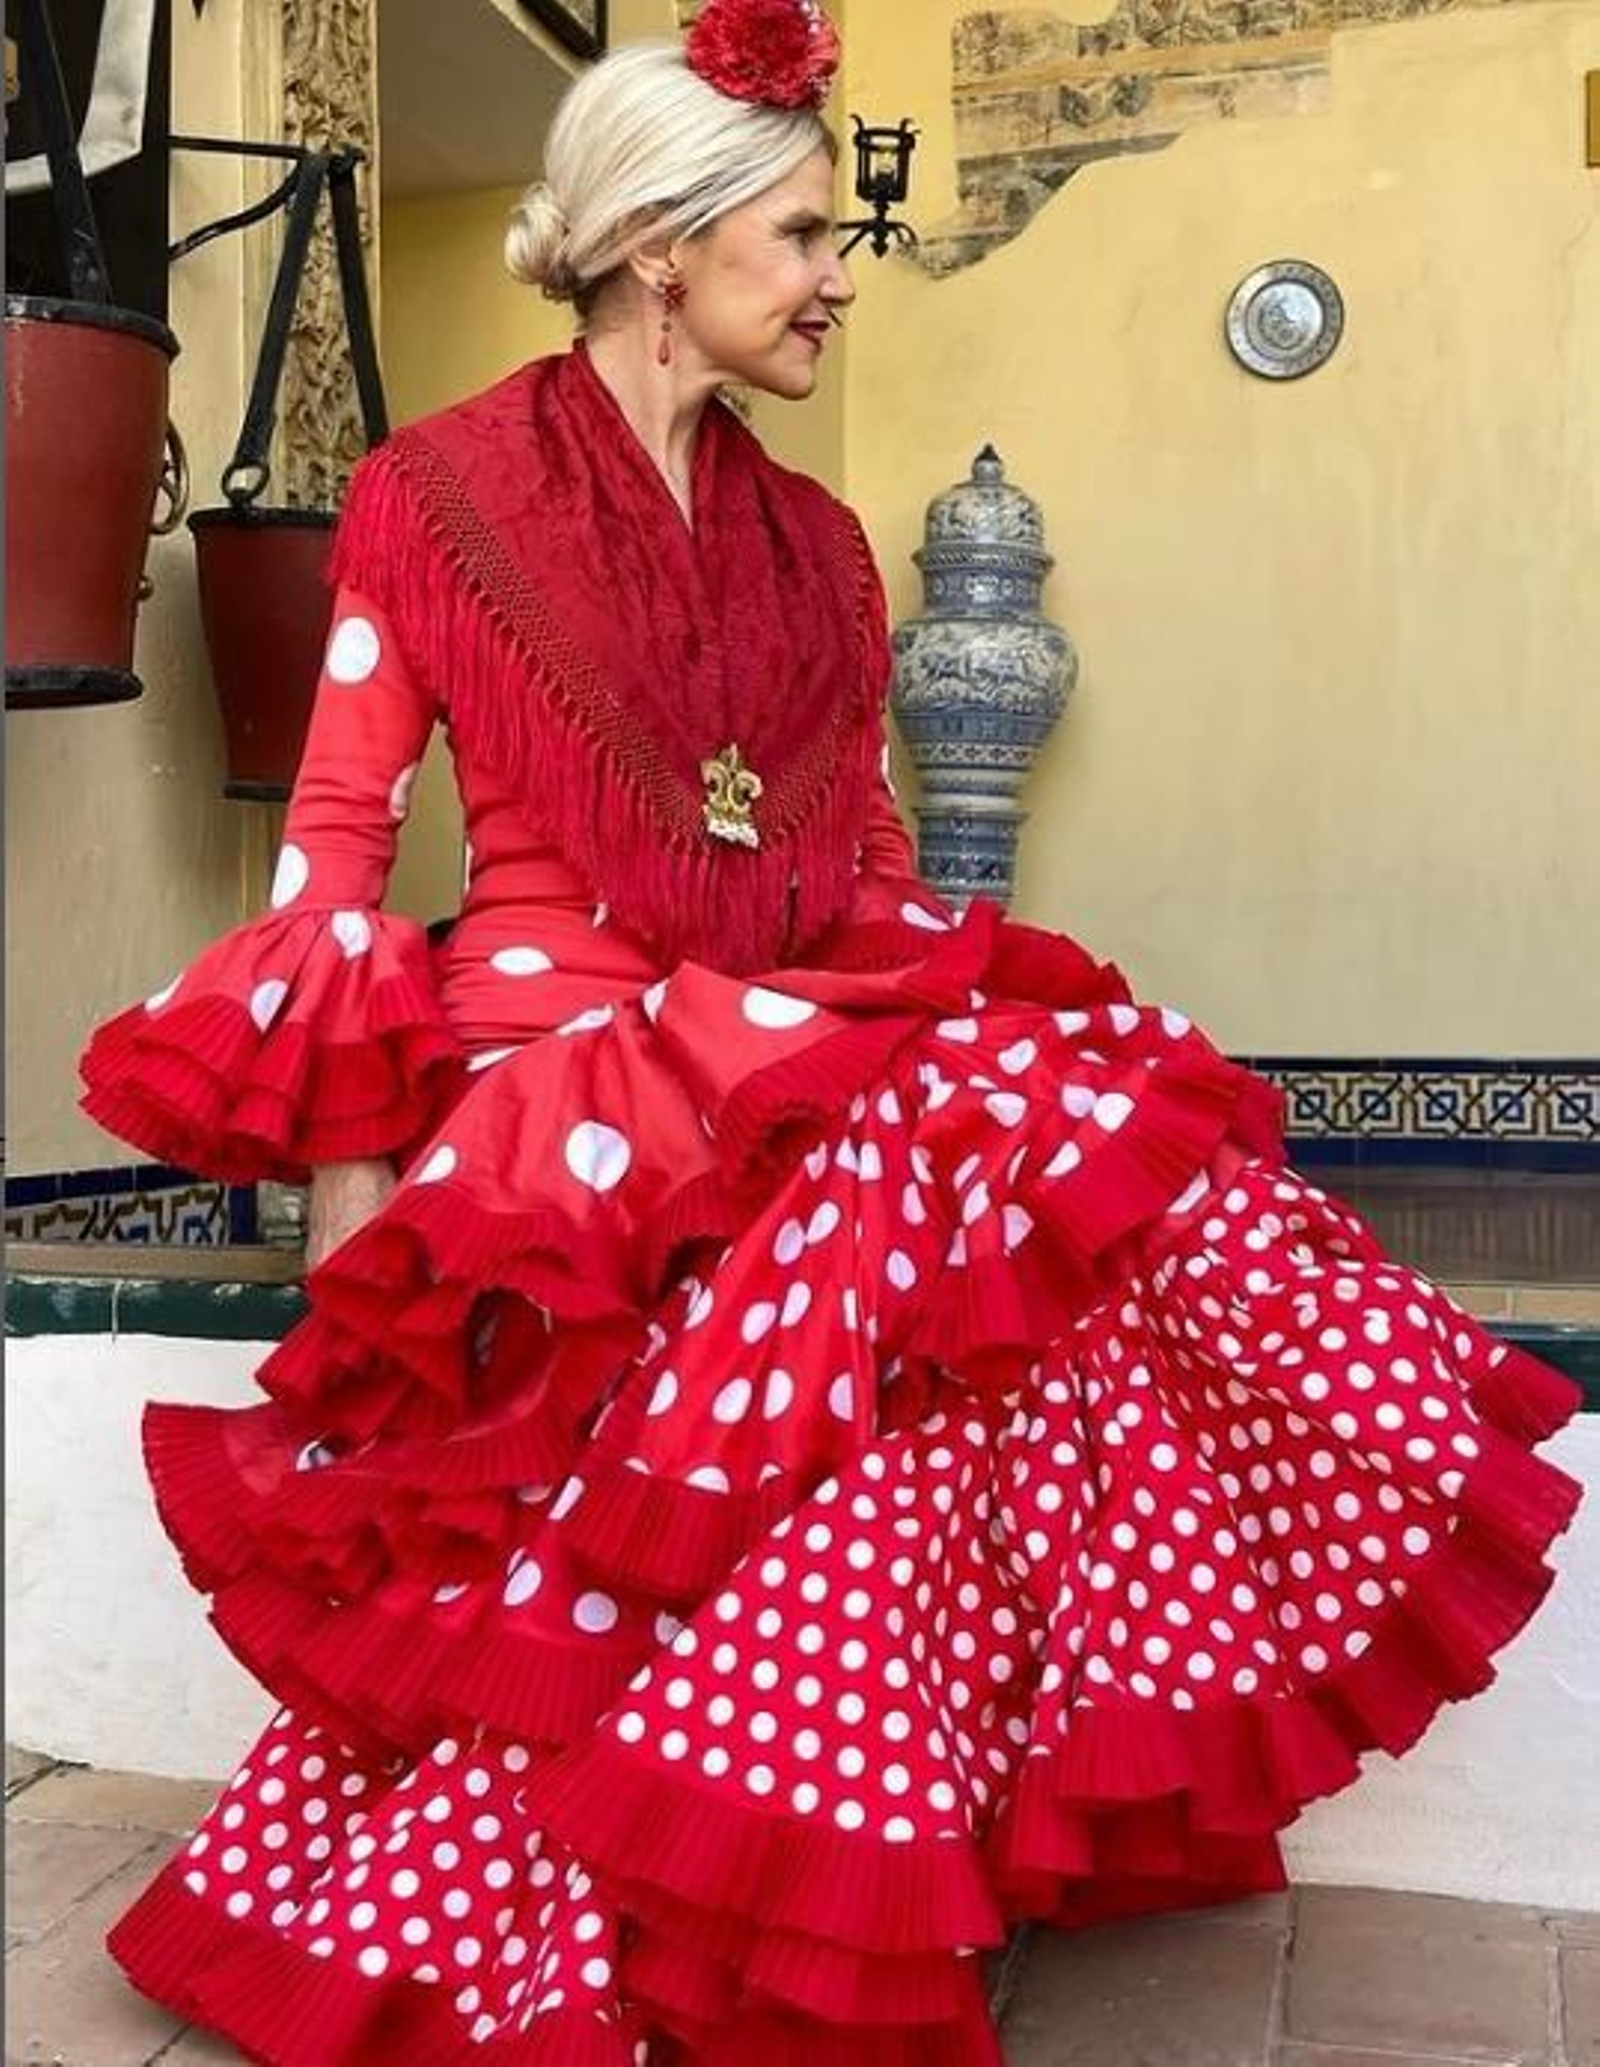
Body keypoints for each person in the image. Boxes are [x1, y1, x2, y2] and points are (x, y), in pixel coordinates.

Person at [81, 1, 1582, 2059]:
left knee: (1038, 1162)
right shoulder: (433, 499)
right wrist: (363, 1234)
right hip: (543, 1098)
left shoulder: (816, 549)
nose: (834, 274)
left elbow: (864, 865)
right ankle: (629, 1898)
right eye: (795, 235)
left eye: (825, 233)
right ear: (657, 251)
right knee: (864, 1219)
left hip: (773, 1048)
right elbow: (331, 865)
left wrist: (1005, 1051)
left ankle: (804, 1853)